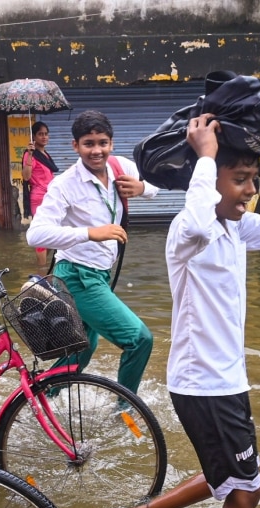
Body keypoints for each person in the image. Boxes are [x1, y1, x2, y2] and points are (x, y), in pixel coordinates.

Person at [116, 113, 260, 508]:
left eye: (252, 180)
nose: (249, 190)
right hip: (204, 384)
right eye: (239, 180)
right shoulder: (188, 230)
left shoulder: (236, 228)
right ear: (208, 180)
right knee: (247, 489)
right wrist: (205, 158)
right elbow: (199, 219)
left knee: (231, 477)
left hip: (226, 381)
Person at [26, 110, 158, 395]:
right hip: (76, 276)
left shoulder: (121, 166)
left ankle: (39, 399)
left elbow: (158, 185)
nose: (96, 150)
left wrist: (142, 187)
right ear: (76, 146)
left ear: (111, 142)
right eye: (88, 143)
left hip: (99, 275)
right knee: (139, 339)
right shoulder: (65, 185)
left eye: (102, 142)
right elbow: (34, 234)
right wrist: (89, 232)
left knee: (82, 349)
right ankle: (126, 410)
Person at [22, 121, 59, 268]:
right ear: (34, 136)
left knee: (54, 233)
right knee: (43, 233)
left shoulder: (45, 154)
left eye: (46, 134)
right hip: (39, 198)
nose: (44, 137)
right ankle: (42, 272)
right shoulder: (30, 155)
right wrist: (30, 155)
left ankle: (40, 264)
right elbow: (26, 176)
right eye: (40, 134)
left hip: (50, 196)